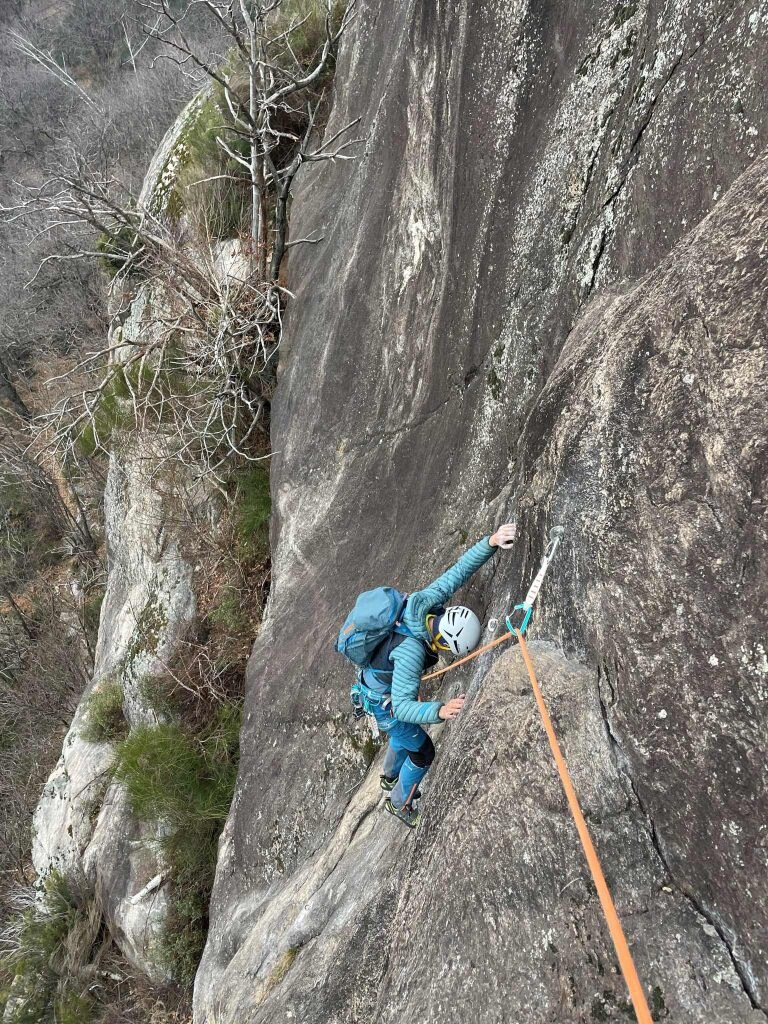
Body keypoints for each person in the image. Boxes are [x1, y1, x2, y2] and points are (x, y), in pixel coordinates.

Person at [360, 523, 518, 828]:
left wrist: (491, 542)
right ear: (445, 645)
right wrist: (440, 711)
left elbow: (457, 573)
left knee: (404, 733)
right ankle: (398, 803)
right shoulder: (411, 653)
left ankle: (390, 776)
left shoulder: (422, 605)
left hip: (377, 684)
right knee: (423, 751)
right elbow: (402, 707)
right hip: (384, 702)